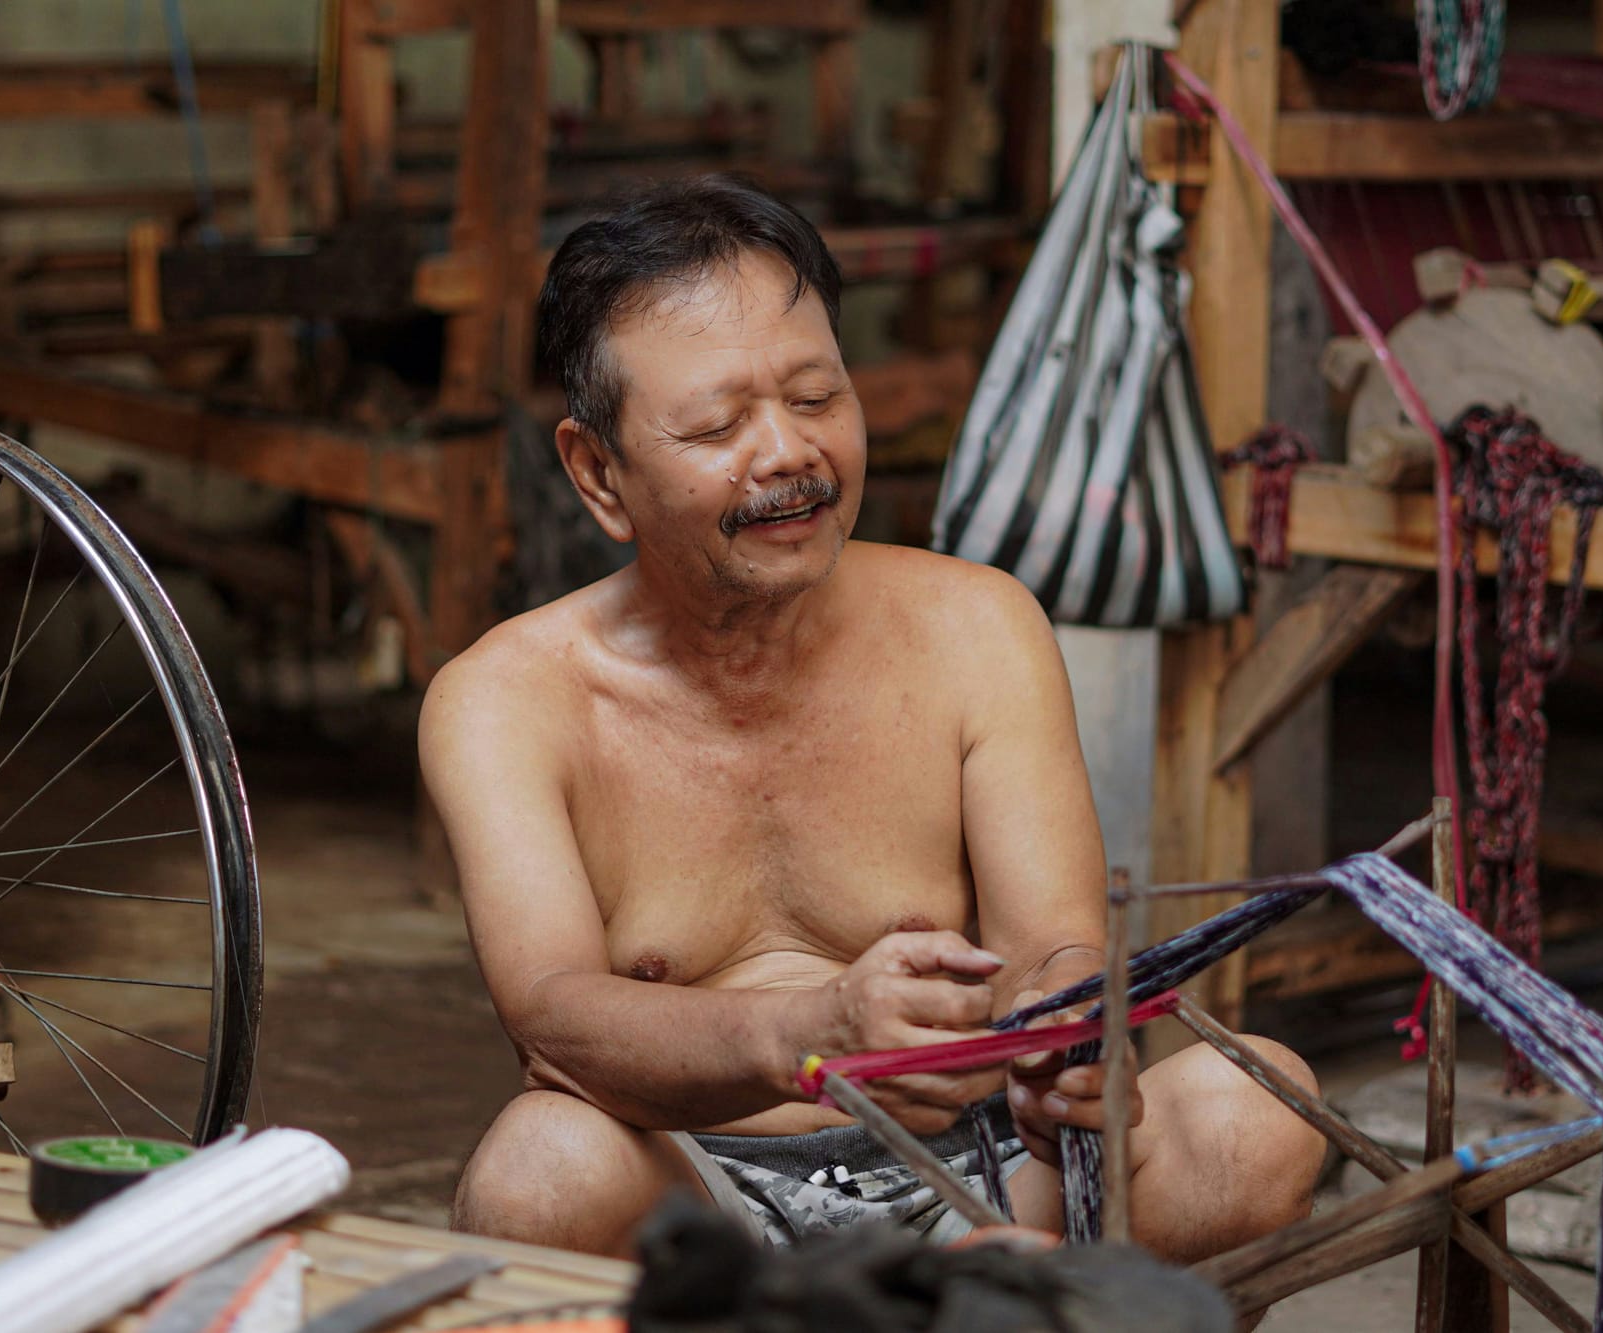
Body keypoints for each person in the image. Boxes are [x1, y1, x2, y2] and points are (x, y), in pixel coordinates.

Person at [420, 175, 1322, 1261]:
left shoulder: (976, 625)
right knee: (538, 1169)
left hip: (982, 1171)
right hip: (696, 1197)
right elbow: (554, 1018)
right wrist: (804, 1035)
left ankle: (951, 1288)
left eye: (812, 398)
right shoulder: (505, 699)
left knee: (1257, 1110)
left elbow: (1052, 946)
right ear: (598, 473)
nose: (786, 454)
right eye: (715, 424)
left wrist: (1061, 1052)